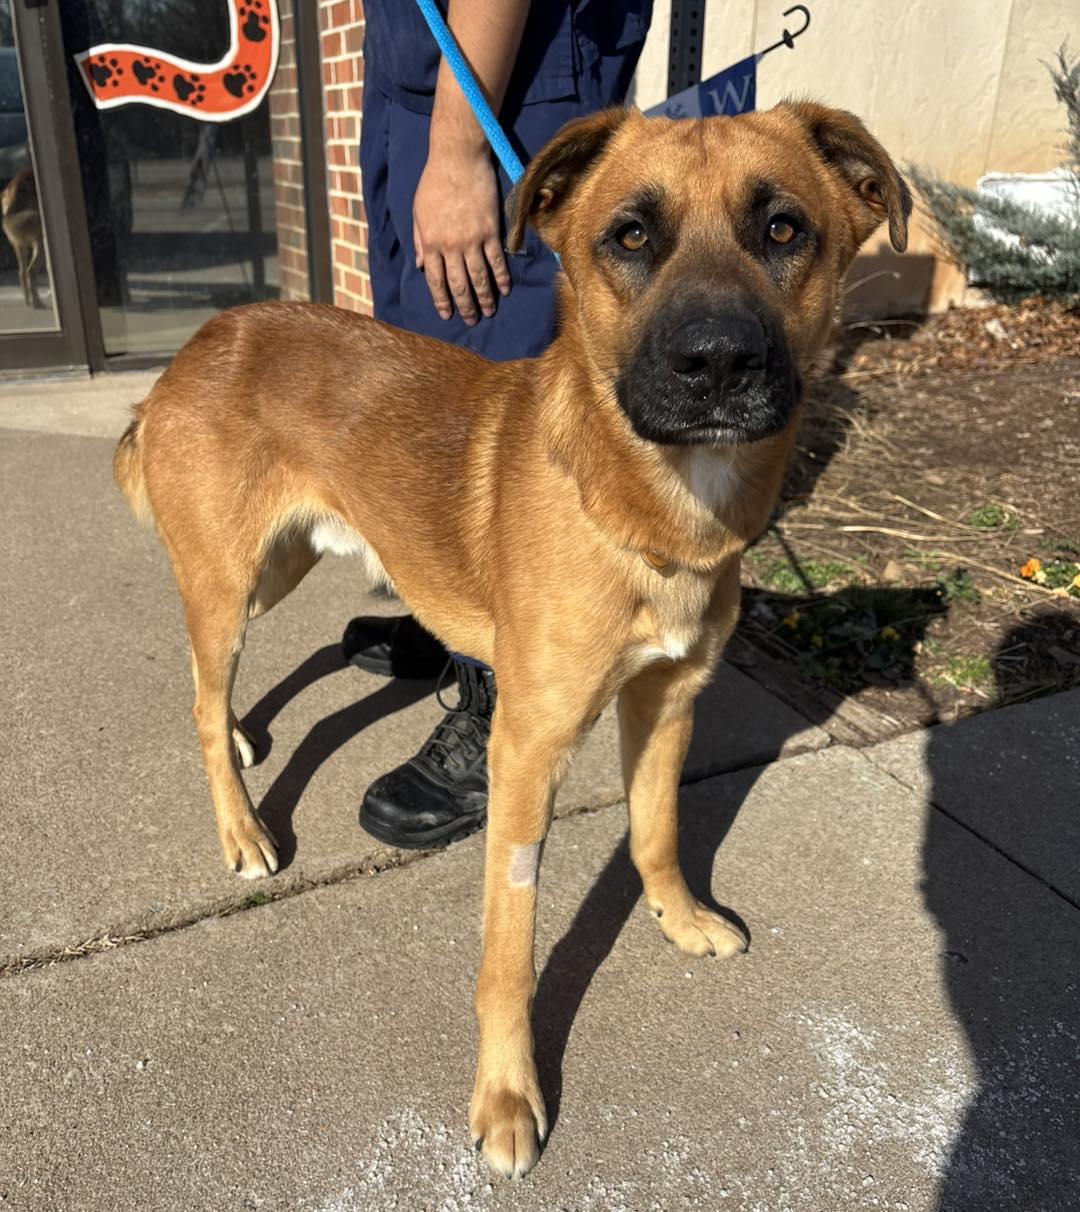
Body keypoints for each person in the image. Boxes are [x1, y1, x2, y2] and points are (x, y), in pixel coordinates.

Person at [344, 0, 653, 849]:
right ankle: (448, 614)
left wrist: (456, 149)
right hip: (419, 79)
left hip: (510, 79)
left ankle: (494, 697)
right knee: (424, 394)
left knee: (496, 404)